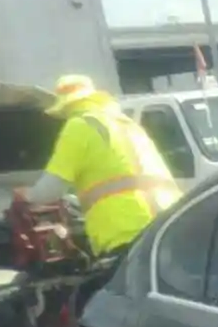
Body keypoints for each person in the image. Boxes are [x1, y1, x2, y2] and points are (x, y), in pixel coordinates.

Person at [23, 75, 181, 265]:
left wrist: (26, 196)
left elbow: (49, 191)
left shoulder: (79, 126)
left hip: (126, 231)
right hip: (169, 223)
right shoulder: (127, 124)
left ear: (66, 107)